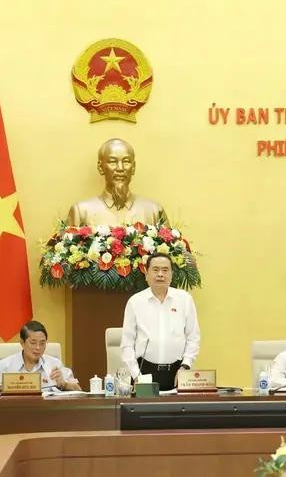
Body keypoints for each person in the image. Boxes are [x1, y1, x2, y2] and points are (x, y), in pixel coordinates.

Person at [120, 253, 200, 391]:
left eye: (165, 270)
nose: (160, 274)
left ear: (172, 274)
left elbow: (193, 337)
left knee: (177, 411)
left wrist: (185, 365)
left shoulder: (184, 299)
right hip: (144, 372)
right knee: (145, 411)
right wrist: (136, 375)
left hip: (177, 372)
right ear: (146, 274)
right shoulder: (135, 302)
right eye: (155, 270)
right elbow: (127, 344)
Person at [66, 138, 168, 227]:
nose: (120, 168)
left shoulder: (154, 211)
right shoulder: (81, 212)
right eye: (113, 161)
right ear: (101, 167)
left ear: (133, 167)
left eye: (126, 161)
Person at [0, 320, 80, 391]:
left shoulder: (54, 364)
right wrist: (0, 389)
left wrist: (64, 384)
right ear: (22, 343)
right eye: (33, 343)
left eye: (42, 343)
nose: (38, 348)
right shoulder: (5, 366)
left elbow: (78, 390)